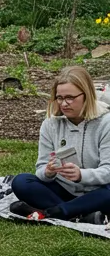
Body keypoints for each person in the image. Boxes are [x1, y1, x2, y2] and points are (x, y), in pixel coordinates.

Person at [11, 66, 110, 221]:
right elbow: (41, 169)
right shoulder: (50, 124)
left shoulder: (106, 123)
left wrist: (81, 175)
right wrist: (48, 172)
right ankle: (80, 215)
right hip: (63, 189)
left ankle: (52, 212)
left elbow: (108, 171)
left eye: (70, 97)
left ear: (87, 95)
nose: (64, 104)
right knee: (21, 181)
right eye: (60, 98)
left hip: (98, 191)